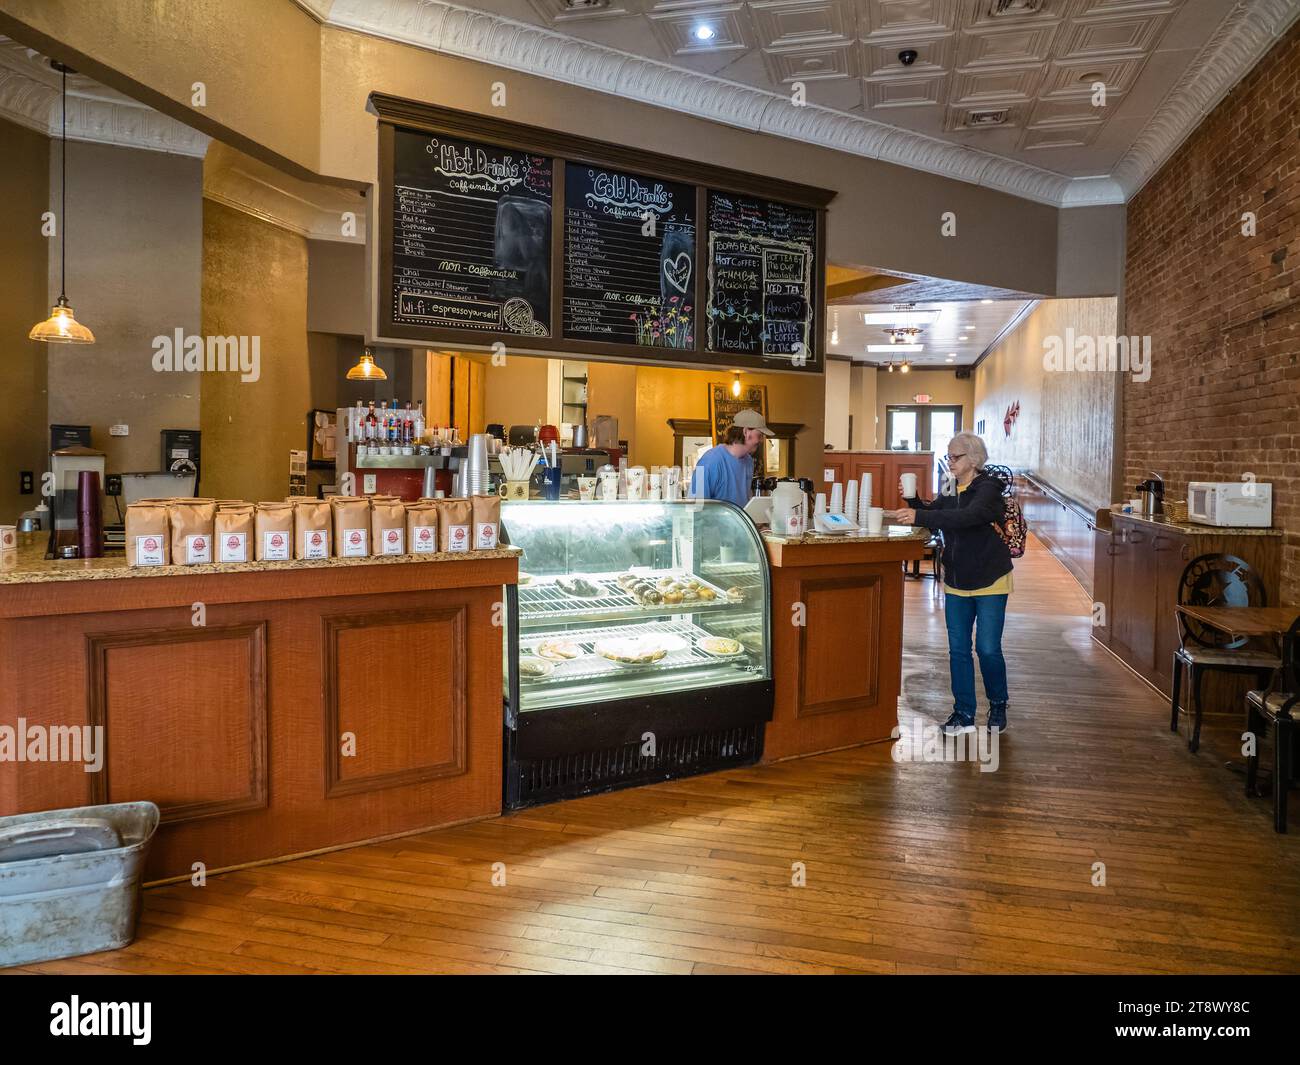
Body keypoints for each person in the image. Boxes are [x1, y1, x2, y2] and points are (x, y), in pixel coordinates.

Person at [885, 431, 1013, 736]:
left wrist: (921, 512)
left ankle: (997, 703)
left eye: (956, 456)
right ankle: (963, 713)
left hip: (990, 578)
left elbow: (969, 516)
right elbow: (935, 513)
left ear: (974, 459)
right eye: (949, 456)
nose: (950, 461)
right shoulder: (951, 486)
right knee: (958, 650)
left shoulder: (989, 489)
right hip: (957, 579)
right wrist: (914, 502)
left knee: (987, 648)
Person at [688, 409, 773, 508]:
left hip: (739, 523)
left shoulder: (749, 461)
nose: (762, 440)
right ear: (746, 432)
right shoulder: (707, 462)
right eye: (760, 435)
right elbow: (695, 509)